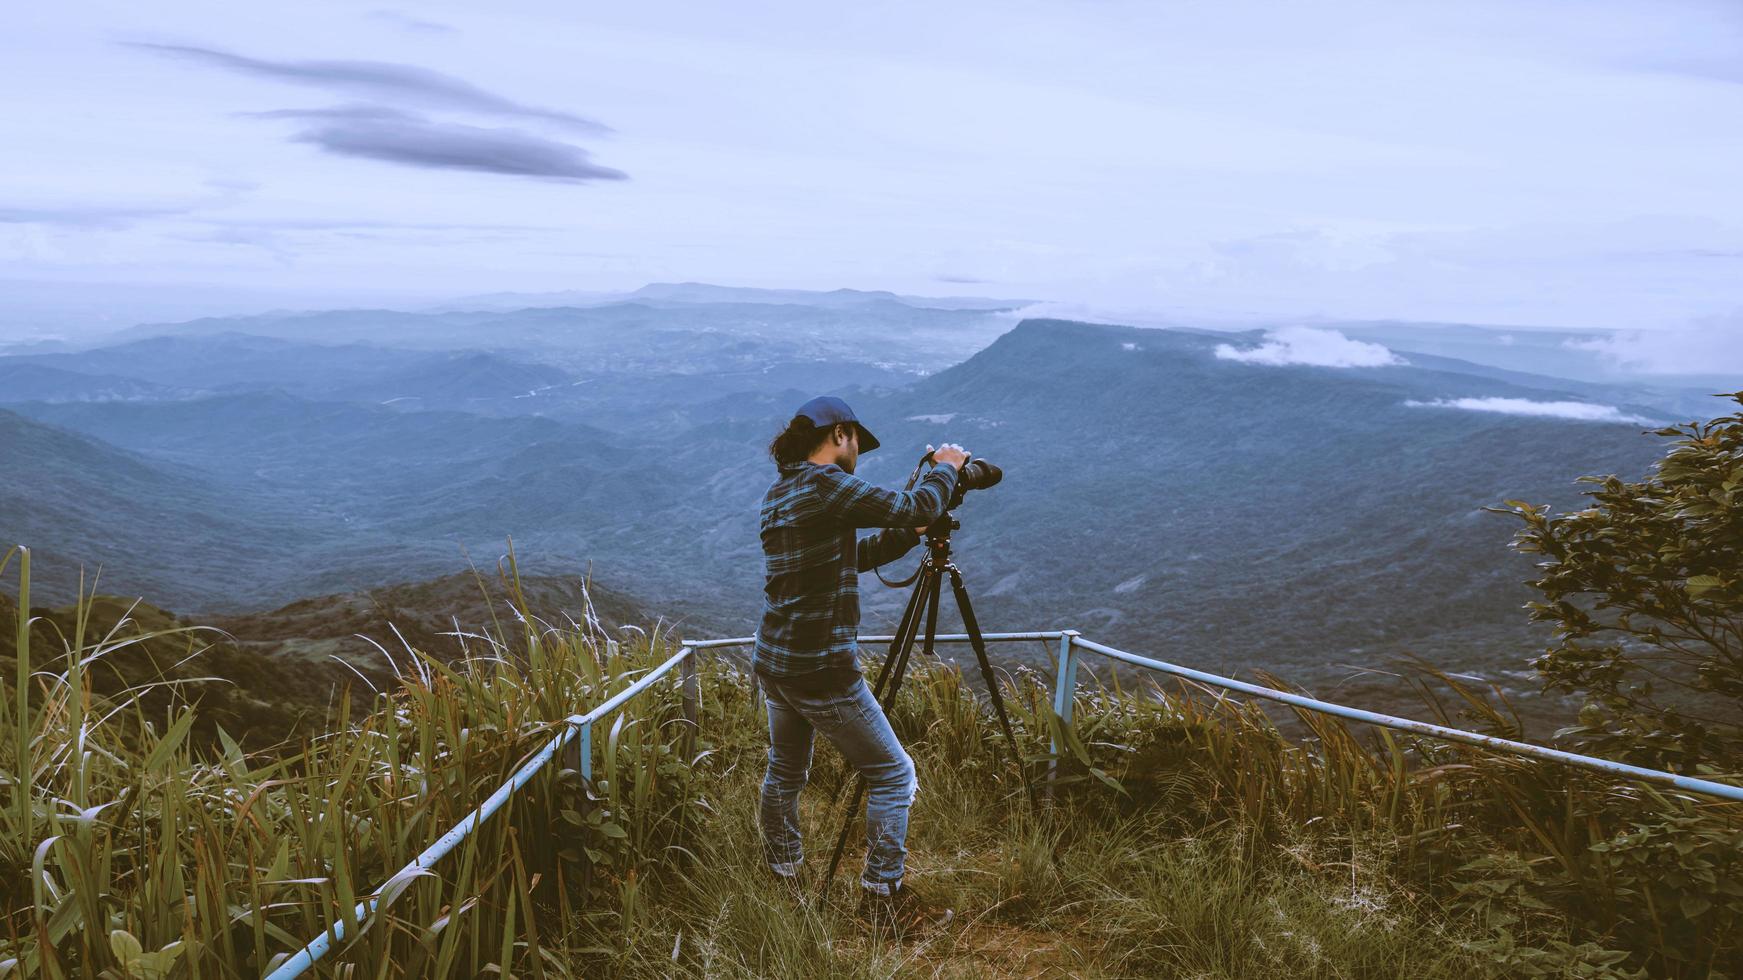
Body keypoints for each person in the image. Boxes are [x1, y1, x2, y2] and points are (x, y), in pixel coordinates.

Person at [753, 394, 965, 935]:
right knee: (894, 775)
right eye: (856, 446)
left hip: (778, 660)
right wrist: (945, 469)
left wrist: (911, 533)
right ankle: (880, 900)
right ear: (840, 433)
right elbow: (915, 504)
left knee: (786, 772)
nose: (858, 457)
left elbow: (855, 555)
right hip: (821, 666)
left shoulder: (783, 492)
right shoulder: (826, 484)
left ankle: (782, 875)